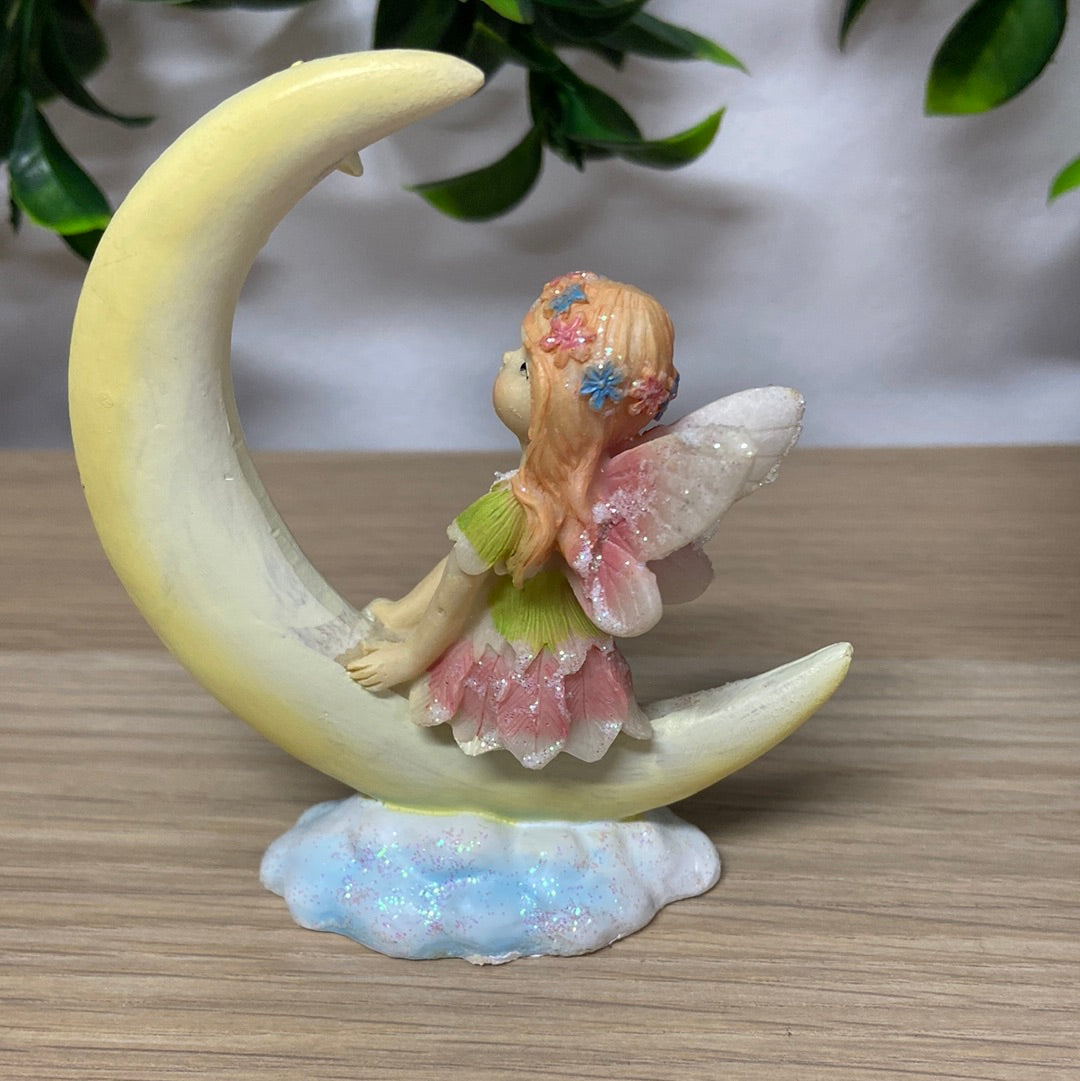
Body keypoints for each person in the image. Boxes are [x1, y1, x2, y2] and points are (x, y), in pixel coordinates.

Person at [343, 271, 802, 770]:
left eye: (525, 367)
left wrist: (410, 657)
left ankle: (512, 776)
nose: (505, 358)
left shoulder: (515, 506)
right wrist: (399, 616)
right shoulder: (584, 496)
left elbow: (457, 588)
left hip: (518, 654)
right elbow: (465, 568)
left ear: (559, 411)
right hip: (576, 650)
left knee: (503, 723)